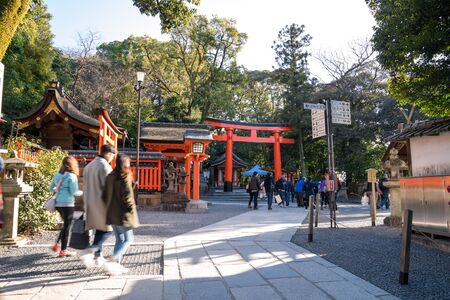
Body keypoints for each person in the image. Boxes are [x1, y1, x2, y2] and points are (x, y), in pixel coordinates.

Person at [80, 144, 116, 267]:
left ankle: (98, 255)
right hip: (102, 202)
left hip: (89, 201)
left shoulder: (88, 166)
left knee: (99, 229)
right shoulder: (106, 167)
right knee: (107, 230)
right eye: (112, 156)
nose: (112, 159)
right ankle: (93, 249)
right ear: (109, 154)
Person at [103, 154, 140, 275]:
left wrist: (133, 184)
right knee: (129, 239)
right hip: (122, 214)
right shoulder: (125, 176)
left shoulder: (110, 176)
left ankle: (116, 266)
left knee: (120, 239)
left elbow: (105, 195)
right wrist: (132, 209)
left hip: (111, 213)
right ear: (125, 164)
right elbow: (128, 196)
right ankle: (113, 260)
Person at [50, 156, 83, 257]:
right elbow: (74, 192)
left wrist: (59, 190)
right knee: (67, 227)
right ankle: (63, 250)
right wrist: (82, 192)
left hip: (58, 203)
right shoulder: (71, 176)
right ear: (73, 165)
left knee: (65, 225)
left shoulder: (57, 175)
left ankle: (56, 245)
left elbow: (51, 188)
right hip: (68, 204)